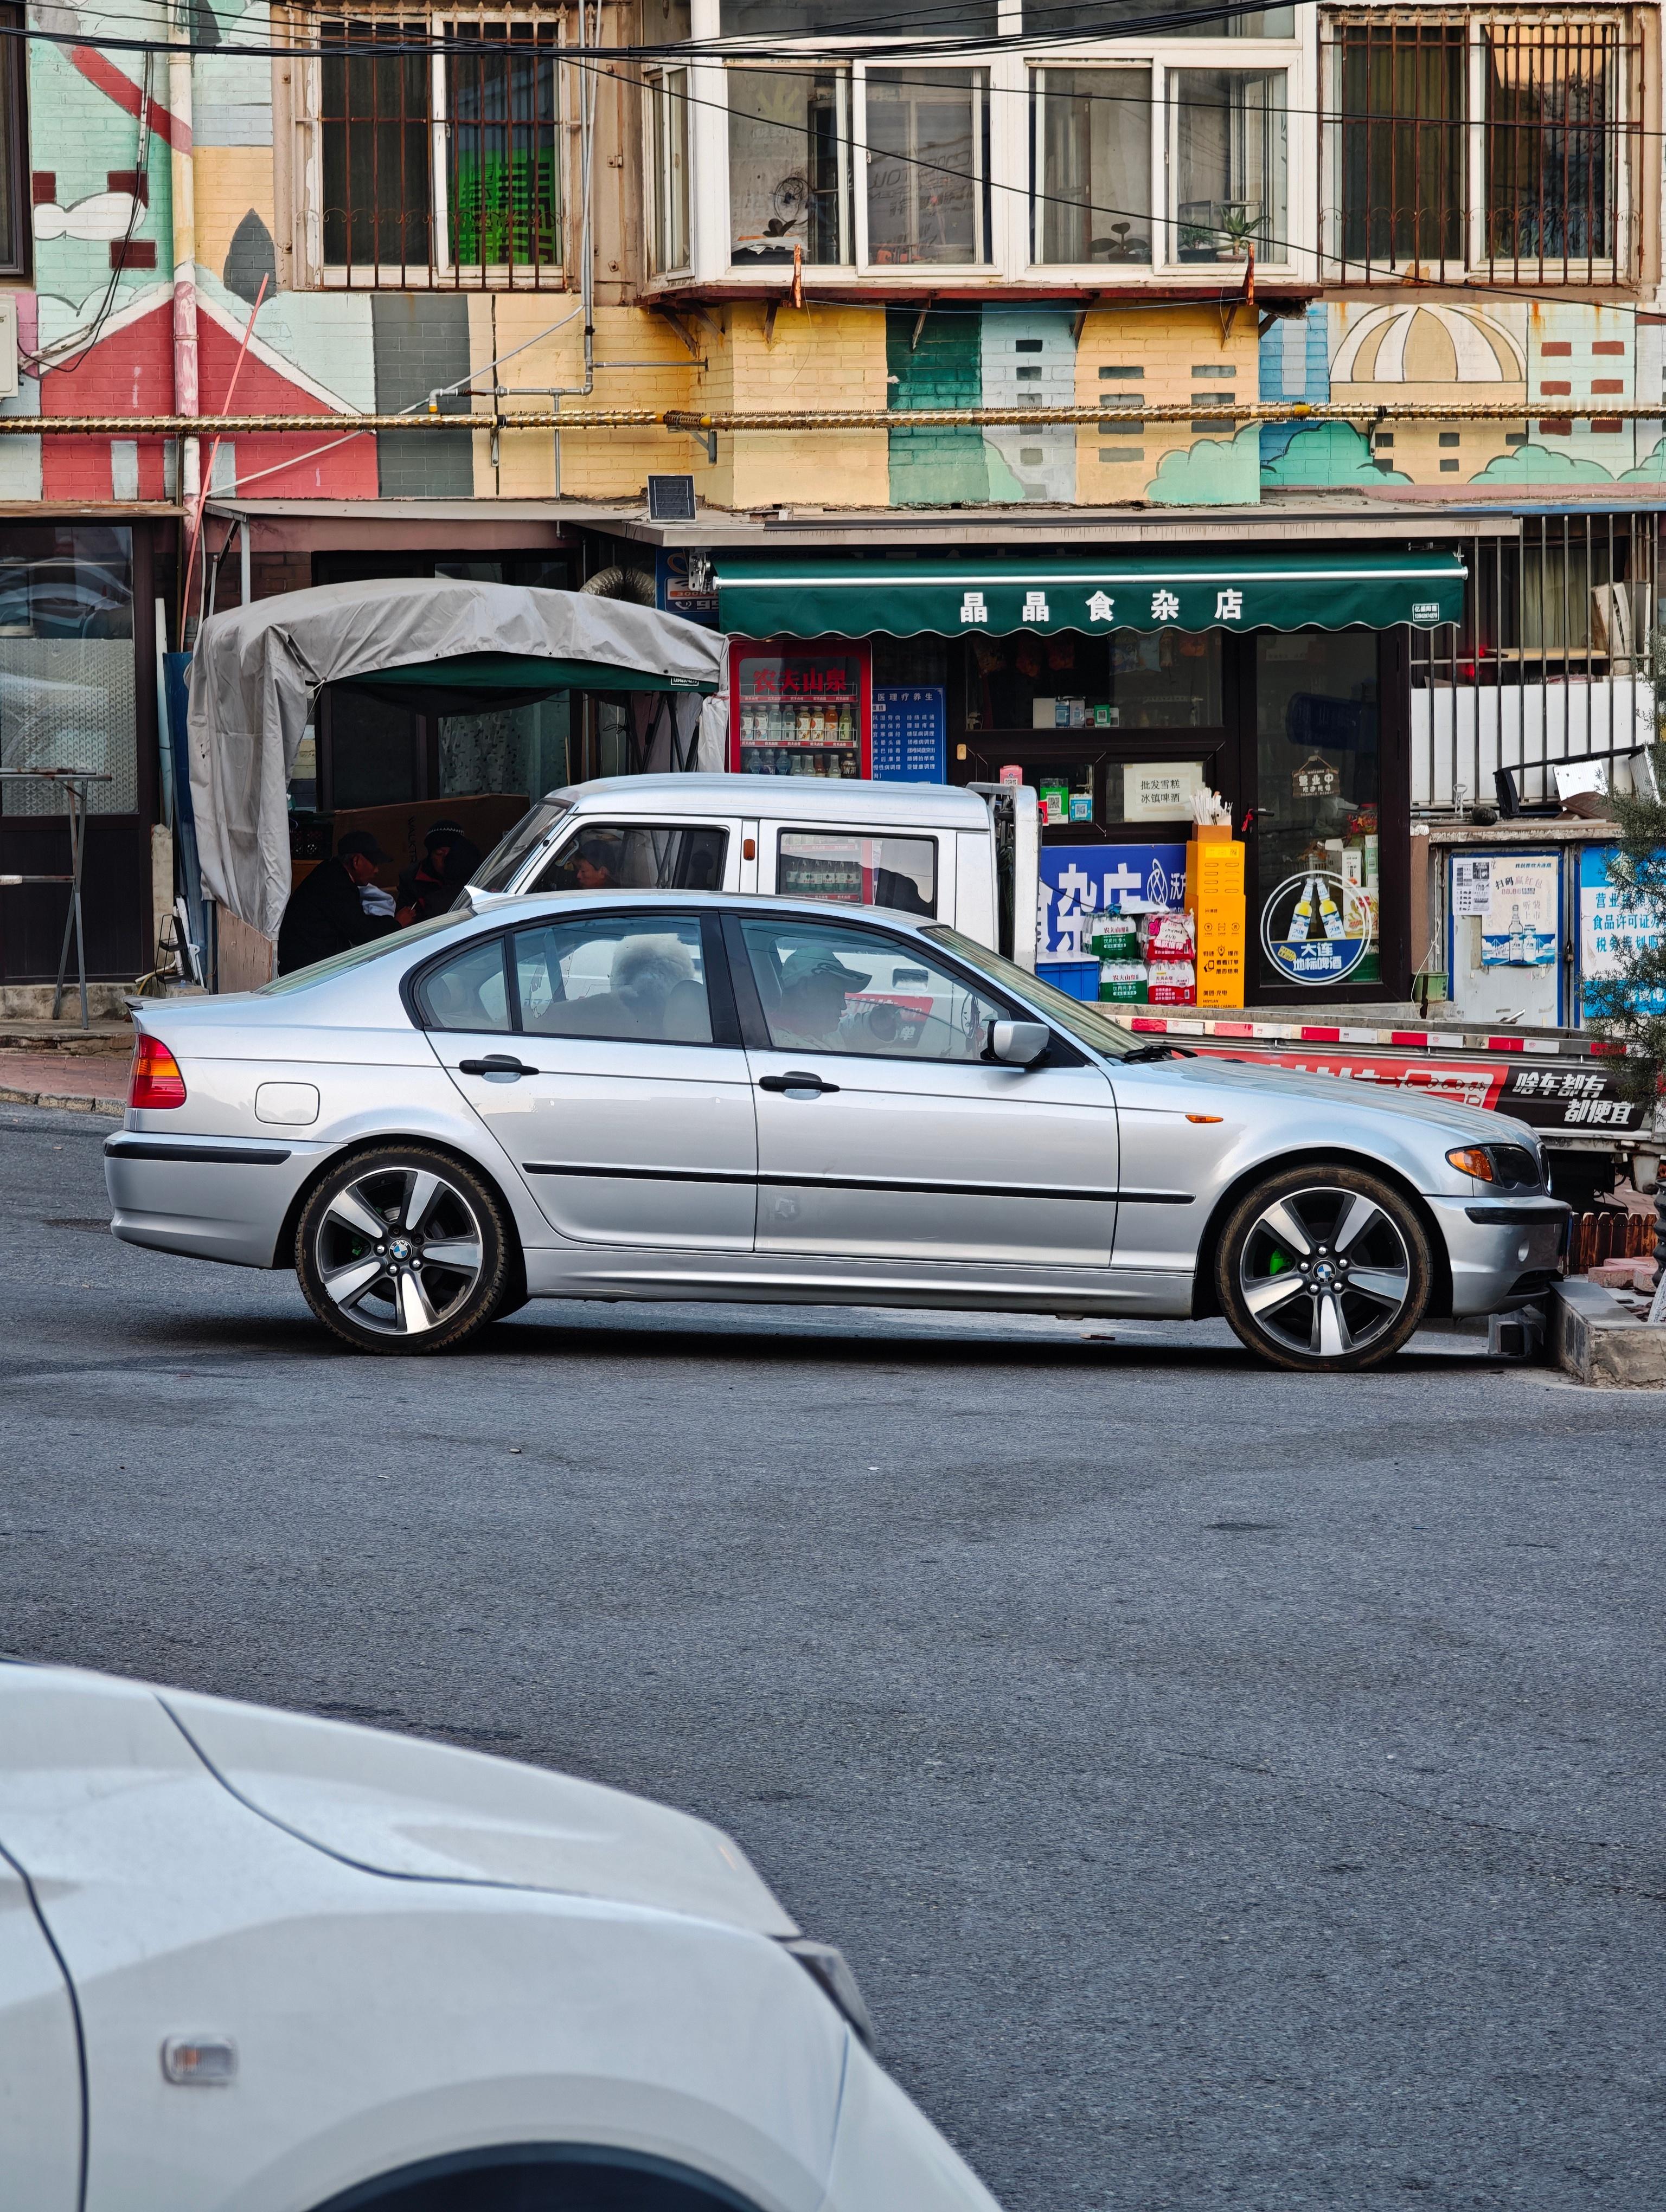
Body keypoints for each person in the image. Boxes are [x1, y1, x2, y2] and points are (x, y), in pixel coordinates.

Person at [276, 831, 398, 976]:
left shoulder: (331, 872)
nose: (377, 870)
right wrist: (397, 924)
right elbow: (362, 932)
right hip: (303, 968)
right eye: (374, 863)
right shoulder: (336, 884)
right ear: (356, 861)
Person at [770, 946, 870, 1049]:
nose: (843, 1005)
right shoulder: (784, 1046)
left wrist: (876, 1022)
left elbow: (848, 1030)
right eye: (836, 993)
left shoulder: (820, 1032)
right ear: (804, 988)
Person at [396, 820, 484, 928]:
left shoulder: (477, 874)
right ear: (430, 855)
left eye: (452, 853)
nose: (446, 859)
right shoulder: (413, 879)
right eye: (439, 854)